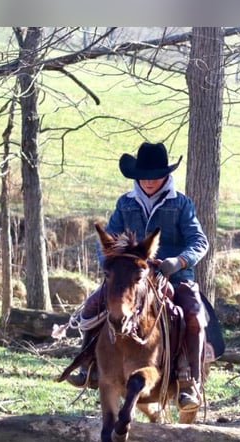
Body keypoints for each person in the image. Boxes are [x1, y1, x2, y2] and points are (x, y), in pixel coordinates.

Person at [67, 141, 210, 411]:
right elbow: (107, 241)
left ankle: (189, 380)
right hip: (129, 277)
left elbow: (199, 242)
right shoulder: (125, 203)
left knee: (194, 316)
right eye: (143, 176)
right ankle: (88, 365)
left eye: (154, 176)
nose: (148, 181)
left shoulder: (181, 204)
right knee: (92, 307)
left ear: (165, 176)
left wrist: (177, 261)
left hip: (174, 276)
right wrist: (112, 267)